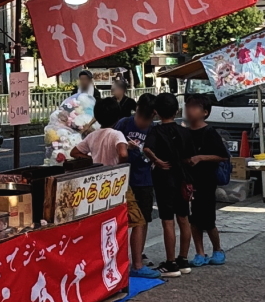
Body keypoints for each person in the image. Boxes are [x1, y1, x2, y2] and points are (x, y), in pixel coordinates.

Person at [143, 93, 194, 278]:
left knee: (167, 221)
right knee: (184, 218)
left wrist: (156, 160)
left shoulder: (155, 131)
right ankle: (183, 259)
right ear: (177, 110)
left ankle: (171, 263)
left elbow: (146, 148)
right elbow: (189, 156)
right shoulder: (184, 131)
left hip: (164, 179)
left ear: (156, 112)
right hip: (183, 178)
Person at [115, 93, 160, 279]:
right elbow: (113, 144)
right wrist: (127, 147)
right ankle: (125, 259)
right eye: (141, 118)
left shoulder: (154, 130)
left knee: (143, 220)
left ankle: (138, 257)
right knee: (123, 221)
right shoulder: (124, 124)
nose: (143, 123)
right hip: (124, 179)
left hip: (145, 180)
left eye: (146, 120)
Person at [183, 94, 229, 267]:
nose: (189, 110)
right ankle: (199, 252)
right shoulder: (185, 132)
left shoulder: (210, 132)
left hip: (207, 181)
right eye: (188, 106)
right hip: (190, 181)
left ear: (205, 112)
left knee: (208, 219)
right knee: (194, 220)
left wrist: (201, 157)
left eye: (194, 107)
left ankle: (218, 249)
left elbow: (223, 156)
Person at [70, 97, 128, 166]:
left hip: (96, 173)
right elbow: (123, 155)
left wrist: (92, 159)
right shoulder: (117, 134)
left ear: (96, 117)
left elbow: (74, 152)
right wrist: (118, 166)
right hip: (113, 174)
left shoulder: (92, 136)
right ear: (117, 117)